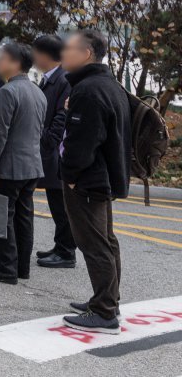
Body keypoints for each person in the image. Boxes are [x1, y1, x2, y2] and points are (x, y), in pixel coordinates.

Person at [59, 29, 130, 335]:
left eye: (69, 48)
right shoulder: (109, 85)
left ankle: (103, 312)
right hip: (104, 177)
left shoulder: (88, 90)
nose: (63, 53)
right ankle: (108, 300)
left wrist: (71, 177)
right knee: (106, 241)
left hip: (88, 181)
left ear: (86, 54)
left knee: (95, 244)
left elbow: (82, 143)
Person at [0, 42, 46, 285]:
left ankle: (6, 266)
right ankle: (21, 267)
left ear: (15, 63)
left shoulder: (8, 92)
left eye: (3, 58)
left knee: (3, 216)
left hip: (9, 165)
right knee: (24, 216)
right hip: (32, 165)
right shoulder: (37, 91)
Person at [32, 34, 76, 270]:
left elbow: (62, 115)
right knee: (55, 203)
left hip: (55, 152)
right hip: (49, 150)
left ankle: (67, 252)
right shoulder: (51, 78)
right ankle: (60, 246)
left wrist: (48, 139)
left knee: (61, 205)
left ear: (46, 55)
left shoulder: (63, 80)